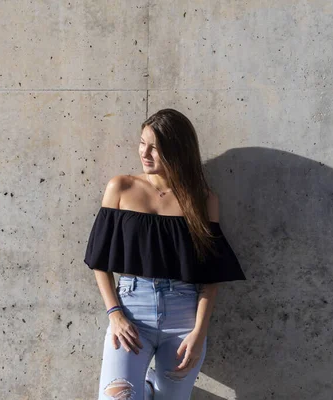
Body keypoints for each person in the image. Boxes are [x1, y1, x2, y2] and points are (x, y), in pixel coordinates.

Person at [83, 108, 247, 400]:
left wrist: (199, 332)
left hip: (183, 318)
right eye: (142, 143)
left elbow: (212, 277)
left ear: (178, 151)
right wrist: (115, 314)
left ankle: (147, 389)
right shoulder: (121, 187)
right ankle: (144, 388)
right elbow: (100, 260)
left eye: (156, 148)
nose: (145, 153)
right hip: (133, 311)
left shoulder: (203, 200)